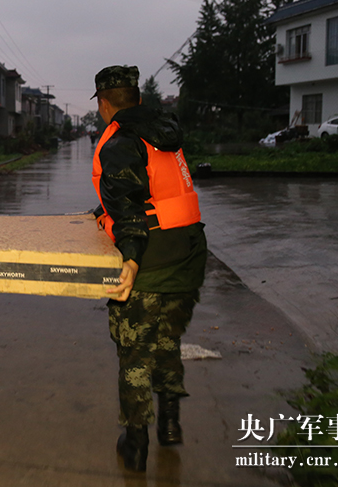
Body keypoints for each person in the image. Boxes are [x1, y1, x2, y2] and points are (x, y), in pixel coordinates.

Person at [89, 65, 207, 473]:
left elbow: (130, 211)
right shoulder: (163, 132)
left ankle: (136, 443)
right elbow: (155, 190)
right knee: (167, 339)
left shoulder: (120, 141)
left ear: (105, 104)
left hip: (151, 257)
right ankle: (170, 423)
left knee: (135, 351)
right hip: (189, 253)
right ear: (138, 98)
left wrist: (131, 257)